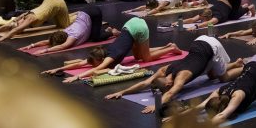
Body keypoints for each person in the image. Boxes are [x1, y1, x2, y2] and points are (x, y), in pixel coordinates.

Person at [104, 35, 245, 113]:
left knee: (223, 78)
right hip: (198, 41)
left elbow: (170, 94)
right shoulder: (164, 70)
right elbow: (145, 83)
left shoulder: (180, 77)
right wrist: (122, 92)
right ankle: (234, 64)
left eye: (165, 87)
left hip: (212, 46)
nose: (168, 88)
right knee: (211, 75)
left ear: (168, 83)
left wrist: (156, 106)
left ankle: (243, 67)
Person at [45, 17, 183, 82]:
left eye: (95, 63)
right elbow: (82, 63)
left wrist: (76, 77)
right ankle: (168, 46)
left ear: (100, 60)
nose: (92, 64)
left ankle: (171, 48)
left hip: (138, 28)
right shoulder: (102, 53)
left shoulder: (109, 57)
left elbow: (95, 70)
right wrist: (58, 69)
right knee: (138, 56)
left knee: (145, 58)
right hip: (129, 25)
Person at [17, 4, 116, 55]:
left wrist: (45, 51)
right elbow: (46, 41)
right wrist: (31, 45)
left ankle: (111, 32)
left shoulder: (72, 37)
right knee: (90, 35)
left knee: (95, 38)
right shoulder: (63, 33)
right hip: (84, 12)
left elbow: (62, 47)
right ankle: (102, 30)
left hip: (94, 13)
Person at [0, 0, 71, 42]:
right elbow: (7, 26)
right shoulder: (22, 16)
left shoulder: (30, 18)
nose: (18, 24)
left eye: (17, 24)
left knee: (65, 26)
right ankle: (70, 16)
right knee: (59, 25)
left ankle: (77, 14)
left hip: (58, 2)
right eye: (17, 24)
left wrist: (1, 38)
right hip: (50, 1)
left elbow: (15, 30)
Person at [181, 0, 255, 28]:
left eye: (202, 20)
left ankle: (250, 7)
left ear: (208, 17)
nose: (201, 21)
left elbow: (209, 23)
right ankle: (243, 6)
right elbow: (192, 19)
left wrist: (196, 26)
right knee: (230, 12)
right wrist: (177, 22)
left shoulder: (218, 16)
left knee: (234, 16)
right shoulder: (207, 11)